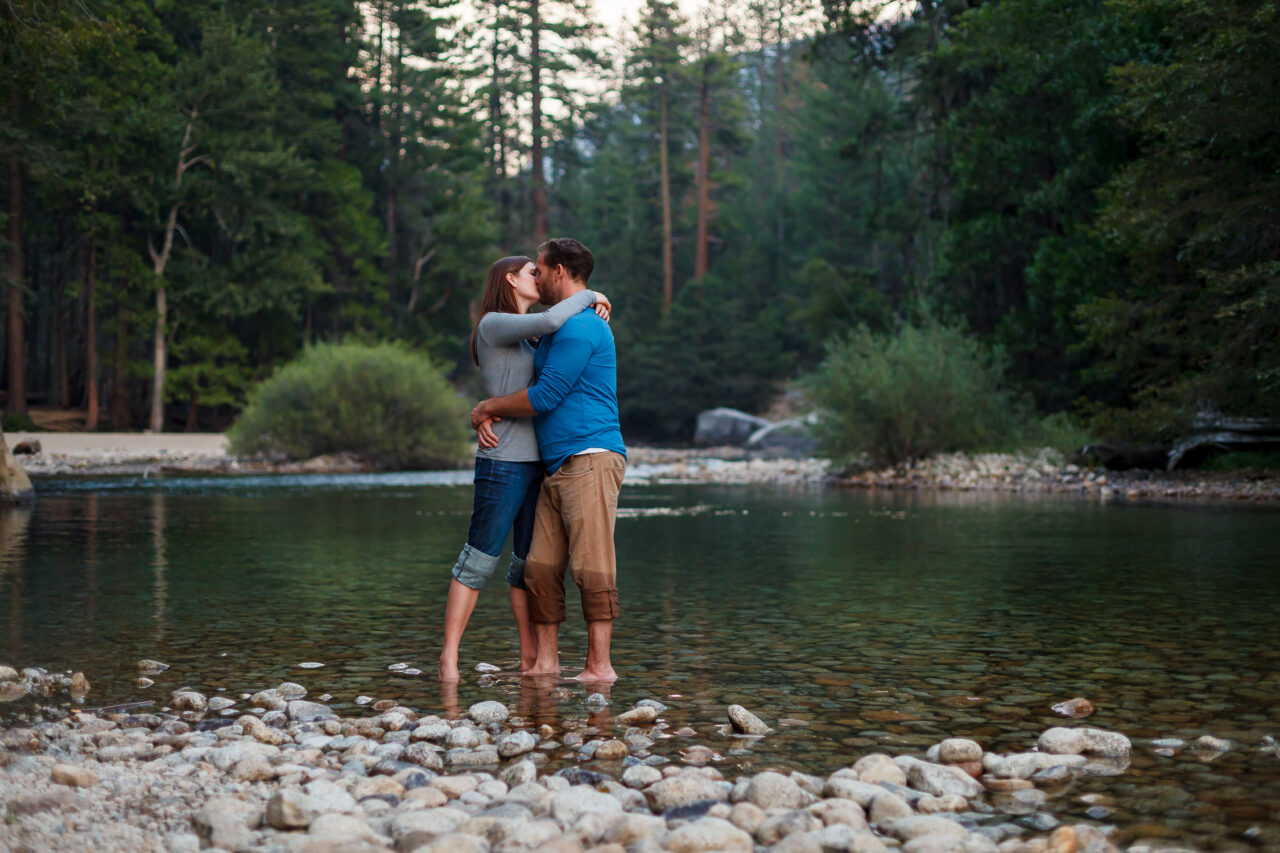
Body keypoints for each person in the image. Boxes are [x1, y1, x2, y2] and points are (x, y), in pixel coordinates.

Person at [438, 254, 611, 682]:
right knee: (478, 559)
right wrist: (590, 294)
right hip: (502, 462)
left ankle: (530, 658)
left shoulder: (531, 339)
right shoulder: (494, 324)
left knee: (524, 566)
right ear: (511, 280)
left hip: (538, 463)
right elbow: (553, 321)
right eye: (533, 272)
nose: (541, 276)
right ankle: (449, 659)